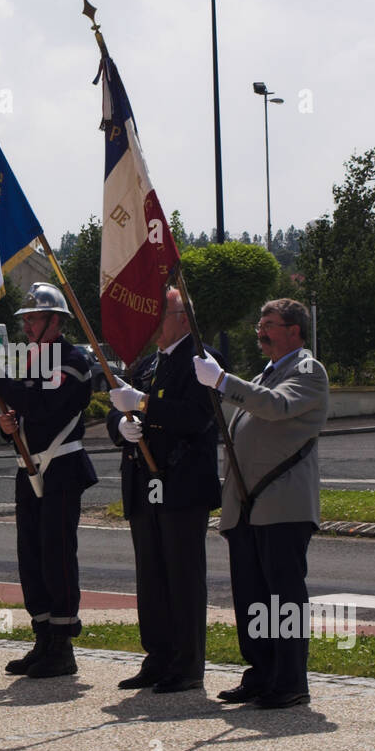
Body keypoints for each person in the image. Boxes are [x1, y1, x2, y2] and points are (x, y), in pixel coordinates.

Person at [193, 298, 329, 708]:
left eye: (270, 324)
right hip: (248, 506)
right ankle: (261, 672)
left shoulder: (306, 369)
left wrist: (224, 382)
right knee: (251, 596)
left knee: (283, 598)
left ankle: (290, 680)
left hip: (282, 503)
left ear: (295, 330)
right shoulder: (265, 374)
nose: (260, 331)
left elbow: (278, 407)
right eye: (260, 323)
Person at [107, 288, 221, 691]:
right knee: (151, 575)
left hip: (181, 484)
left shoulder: (203, 363)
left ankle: (187, 664)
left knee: (182, 574)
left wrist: (144, 406)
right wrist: (121, 428)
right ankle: (158, 656)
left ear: (184, 318)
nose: (152, 321)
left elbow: (197, 417)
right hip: (145, 483)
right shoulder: (147, 365)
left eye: (161, 313)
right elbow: (118, 409)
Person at [0, 283, 98, 679]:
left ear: (57, 320)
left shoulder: (72, 360)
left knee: (57, 556)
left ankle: (62, 645)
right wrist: (8, 426)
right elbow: (26, 412)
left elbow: (46, 406)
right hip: (28, 467)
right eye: (26, 319)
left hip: (61, 469)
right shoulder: (36, 361)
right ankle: (42, 637)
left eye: (34, 318)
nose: (28, 326)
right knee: (31, 557)